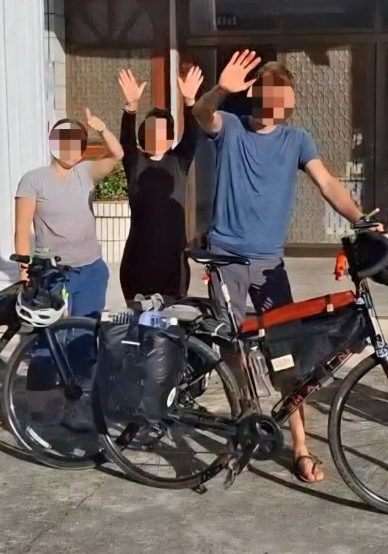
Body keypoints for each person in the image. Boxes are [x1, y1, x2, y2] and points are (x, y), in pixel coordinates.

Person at [193, 49, 368, 483]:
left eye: (282, 97)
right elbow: (201, 113)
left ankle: (301, 446)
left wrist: (362, 220)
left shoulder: (297, 139)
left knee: (287, 354)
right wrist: (220, 90)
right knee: (232, 350)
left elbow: (327, 183)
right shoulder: (230, 126)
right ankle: (244, 427)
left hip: (269, 262)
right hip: (226, 258)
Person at [14, 115, 124, 430]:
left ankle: (78, 408)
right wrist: (24, 273)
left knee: (84, 340)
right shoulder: (33, 180)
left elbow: (117, 154)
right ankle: (40, 411)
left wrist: (101, 129)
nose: (71, 149)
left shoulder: (85, 173)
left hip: (90, 270)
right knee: (49, 341)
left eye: (77, 142)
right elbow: (22, 230)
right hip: (52, 273)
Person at [113, 66, 204, 303]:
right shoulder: (135, 162)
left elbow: (192, 136)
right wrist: (131, 107)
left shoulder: (179, 161)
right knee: (137, 320)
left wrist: (189, 102)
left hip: (174, 264)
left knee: (172, 319)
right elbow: (126, 141)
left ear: (171, 136)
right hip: (137, 261)